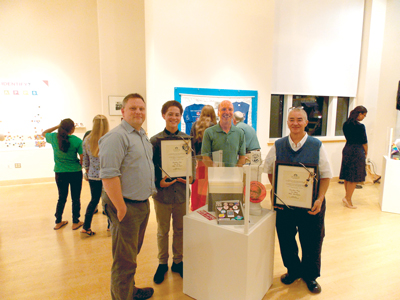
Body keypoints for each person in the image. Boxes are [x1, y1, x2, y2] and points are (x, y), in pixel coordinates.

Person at [263, 107, 332, 294]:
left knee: (312, 240)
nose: (295, 123)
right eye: (292, 119)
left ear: (306, 122)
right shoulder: (278, 145)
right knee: (286, 239)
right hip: (285, 204)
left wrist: (320, 198)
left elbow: (326, 175)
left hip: (312, 205)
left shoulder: (317, 145)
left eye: (299, 119)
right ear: (287, 122)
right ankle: (293, 270)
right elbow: (269, 170)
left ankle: (310, 276)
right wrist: (279, 191)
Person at [99, 93, 156, 300]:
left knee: (131, 255)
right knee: (124, 261)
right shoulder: (117, 137)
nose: (138, 112)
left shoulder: (140, 135)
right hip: (126, 206)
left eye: (141, 108)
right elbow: (108, 175)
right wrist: (121, 208)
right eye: (133, 108)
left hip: (140, 204)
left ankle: (129, 291)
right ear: (122, 112)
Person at [150, 100, 192, 284]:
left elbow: (193, 164)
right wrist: (158, 182)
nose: (174, 117)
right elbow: (150, 167)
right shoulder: (155, 141)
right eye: (170, 114)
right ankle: (162, 263)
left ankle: (178, 261)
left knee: (180, 229)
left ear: (180, 116)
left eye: (177, 114)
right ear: (163, 115)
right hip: (162, 194)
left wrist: (191, 177)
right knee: (162, 230)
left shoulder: (187, 140)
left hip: (182, 193)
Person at [42, 119, 84, 230]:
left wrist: (57, 126)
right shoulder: (77, 141)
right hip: (75, 172)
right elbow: (82, 159)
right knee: (76, 198)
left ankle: (58, 222)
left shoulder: (54, 138)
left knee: (61, 197)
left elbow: (43, 133)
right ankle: (75, 222)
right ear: (72, 129)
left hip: (60, 173)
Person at [80, 115, 109, 236]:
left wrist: (87, 172)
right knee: (109, 201)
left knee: (94, 200)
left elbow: (85, 160)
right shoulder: (109, 138)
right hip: (109, 175)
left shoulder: (87, 139)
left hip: (93, 175)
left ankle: (86, 227)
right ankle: (110, 226)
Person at [201, 100, 246, 167]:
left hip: (234, 176)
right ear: (218, 113)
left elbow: (242, 158)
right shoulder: (209, 132)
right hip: (215, 176)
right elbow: (205, 158)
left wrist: (236, 172)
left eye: (230, 109)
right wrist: (217, 171)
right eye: (224, 109)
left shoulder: (240, 133)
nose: (227, 112)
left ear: (233, 112)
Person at [339, 105, 368, 209]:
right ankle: (348, 198)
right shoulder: (360, 127)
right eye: (364, 115)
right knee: (354, 177)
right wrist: (366, 153)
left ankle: (347, 197)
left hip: (347, 149)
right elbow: (364, 142)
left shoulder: (345, 124)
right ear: (359, 114)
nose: (363, 118)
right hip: (357, 151)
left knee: (347, 175)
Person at [190, 105, 217, 211]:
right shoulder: (213, 126)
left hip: (197, 161)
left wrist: (194, 159)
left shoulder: (194, 125)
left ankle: (195, 207)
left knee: (196, 186)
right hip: (208, 161)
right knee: (205, 186)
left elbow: (191, 144)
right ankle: (203, 207)